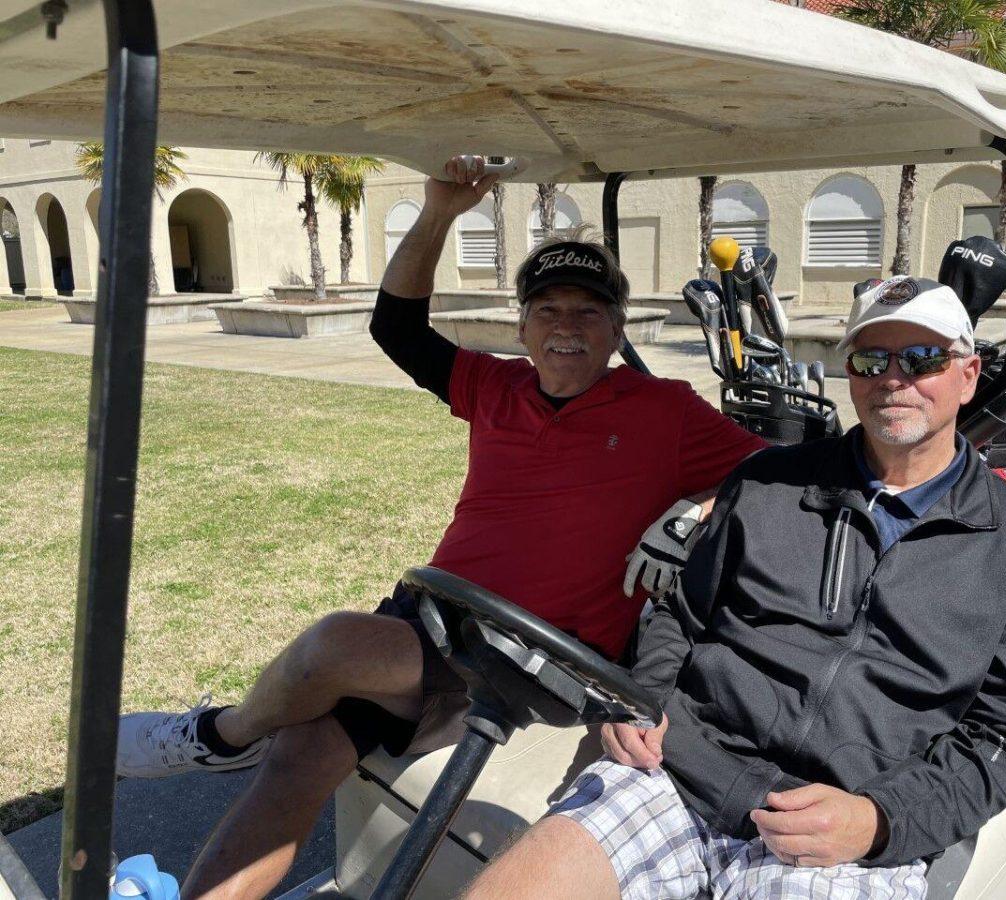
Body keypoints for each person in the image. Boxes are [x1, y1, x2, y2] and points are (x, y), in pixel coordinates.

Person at [114, 156, 766, 899]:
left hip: (548, 661)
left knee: (332, 643)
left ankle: (222, 735)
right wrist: (437, 213)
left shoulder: (665, 409)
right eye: (547, 309)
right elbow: (397, 327)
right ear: (520, 328)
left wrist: (698, 510)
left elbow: (782, 471)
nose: (566, 327)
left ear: (617, 331)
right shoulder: (493, 385)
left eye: (587, 311)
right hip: (436, 630)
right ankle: (234, 777)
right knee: (297, 757)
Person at [466, 275, 1006, 900]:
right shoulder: (767, 483)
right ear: (850, 374)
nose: (896, 378)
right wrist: (642, 702)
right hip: (683, 773)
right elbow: (680, 612)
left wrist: (880, 820)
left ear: (968, 374)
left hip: (842, 832)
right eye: (872, 359)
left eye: (923, 359)